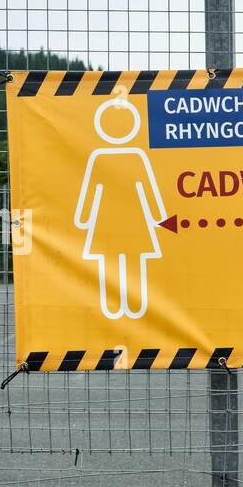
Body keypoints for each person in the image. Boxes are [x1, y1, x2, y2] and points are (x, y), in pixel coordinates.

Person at [74, 91, 168, 319]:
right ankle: (132, 305)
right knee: (131, 262)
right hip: (134, 219)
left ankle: (117, 306)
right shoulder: (134, 156)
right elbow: (146, 190)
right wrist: (158, 218)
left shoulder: (102, 157)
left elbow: (91, 192)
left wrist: (86, 218)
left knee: (113, 262)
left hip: (107, 220)